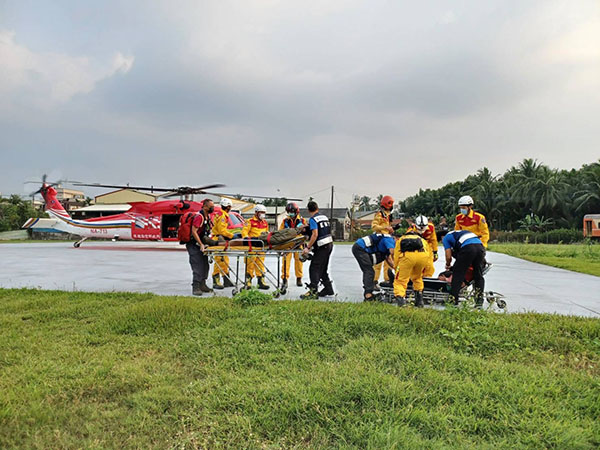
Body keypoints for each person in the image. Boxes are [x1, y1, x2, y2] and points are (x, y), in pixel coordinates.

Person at [442, 230, 486, 307]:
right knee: (478, 275)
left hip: (468, 248)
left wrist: (448, 264)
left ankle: (453, 300)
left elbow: (448, 256)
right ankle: (479, 300)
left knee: (458, 274)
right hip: (480, 247)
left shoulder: (446, 238)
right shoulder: (460, 233)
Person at [300, 201, 334, 299]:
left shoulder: (313, 219)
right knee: (322, 268)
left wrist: (307, 248)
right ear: (317, 208)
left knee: (314, 268)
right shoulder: (324, 217)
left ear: (308, 210)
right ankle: (328, 289)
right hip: (329, 244)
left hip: (322, 246)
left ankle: (313, 291)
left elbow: (315, 234)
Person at [187, 199, 218, 296]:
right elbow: (194, 231)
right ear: (204, 207)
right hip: (194, 244)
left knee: (205, 265)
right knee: (198, 265)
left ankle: (203, 284)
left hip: (201, 244)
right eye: (210, 206)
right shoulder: (199, 217)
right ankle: (195, 286)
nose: (212, 208)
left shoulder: (207, 217)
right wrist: (200, 244)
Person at [352, 232, 396, 301]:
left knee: (379, 259)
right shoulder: (390, 239)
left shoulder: (386, 241)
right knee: (369, 271)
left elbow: (388, 258)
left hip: (362, 248)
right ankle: (368, 295)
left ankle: (368, 291)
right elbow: (392, 252)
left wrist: (396, 269)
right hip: (360, 248)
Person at [393, 227, 430, 307]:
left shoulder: (401, 240)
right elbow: (429, 254)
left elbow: (396, 255)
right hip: (422, 258)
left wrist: (396, 268)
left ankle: (401, 301)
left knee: (400, 281)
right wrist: (427, 269)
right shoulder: (422, 240)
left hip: (407, 258)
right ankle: (419, 301)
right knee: (417, 278)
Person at [242, 204, 270, 290]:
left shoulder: (265, 222)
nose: (263, 214)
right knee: (250, 264)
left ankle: (261, 281)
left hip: (261, 247)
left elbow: (267, 233)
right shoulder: (249, 221)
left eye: (264, 213)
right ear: (256, 212)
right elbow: (244, 232)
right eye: (261, 212)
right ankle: (248, 282)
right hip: (252, 247)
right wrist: (247, 239)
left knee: (260, 264)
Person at [280, 202, 307, 290]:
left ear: (296, 211)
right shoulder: (285, 221)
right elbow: (280, 231)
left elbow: (305, 232)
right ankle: (285, 279)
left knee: (299, 262)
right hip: (288, 244)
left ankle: (299, 278)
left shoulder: (302, 221)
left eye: (292, 212)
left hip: (298, 243)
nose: (290, 214)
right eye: (289, 212)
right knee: (285, 262)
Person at [211, 198, 235, 289]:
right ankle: (215, 280)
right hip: (219, 239)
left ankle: (226, 279)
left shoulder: (221, 214)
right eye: (229, 206)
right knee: (219, 260)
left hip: (221, 239)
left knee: (224, 260)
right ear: (227, 206)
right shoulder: (222, 216)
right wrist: (232, 236)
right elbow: (222, 230)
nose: (230, 208)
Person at [372, 195, 395, 289]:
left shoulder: (388, 215)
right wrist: (385, 228)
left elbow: (388, 227)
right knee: (378, 262)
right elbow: (374, 226)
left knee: (388, 262)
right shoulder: (379, 214)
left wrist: (391, 230)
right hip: (380, 239)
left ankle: (388, 280)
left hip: (387, 239)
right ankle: (373, 281)